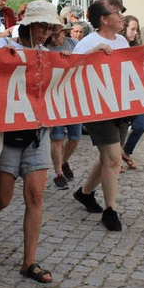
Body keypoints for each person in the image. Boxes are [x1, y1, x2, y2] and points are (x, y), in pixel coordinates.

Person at [0, 0, 61, 283]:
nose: (47, 31)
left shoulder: (47, 54)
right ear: (28, 24)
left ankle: (29, 262)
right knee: (3, 198)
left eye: (51, 27)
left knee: (35, 197)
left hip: (37, 134)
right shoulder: (2, 48)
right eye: (43, 26)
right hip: (7, 135)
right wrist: (2, 62)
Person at [71, 0, 129, 231]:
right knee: (114, 159)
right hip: (97, 108)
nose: (121, 16)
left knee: (108, 157)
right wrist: (93, 53)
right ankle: (110, 209)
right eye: (116, 13)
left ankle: (85, 193)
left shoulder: (123, 41)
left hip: (121, 107)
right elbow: (70, 71)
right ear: (104, 19)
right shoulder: (86, 42)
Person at [45, 24, 80, 190]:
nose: (52, 36)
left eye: (55, 32)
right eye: (49, 32)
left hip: (74, 96)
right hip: (54, 96)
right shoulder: (44, 48)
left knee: (75, 137)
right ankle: (58, 172)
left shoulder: (73, 44)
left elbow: (84, 59)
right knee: (57, 136)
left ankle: (63, 161)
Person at [119, 15, 144, 170]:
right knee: (120, 130)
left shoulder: (138, 49)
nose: (135, 33)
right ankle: (116, 159)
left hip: (137, 94)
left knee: (140, 126)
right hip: (121, 94)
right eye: (132, 29)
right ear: (124, 29)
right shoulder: (117, 48)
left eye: (137, 29)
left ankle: (126, 153)